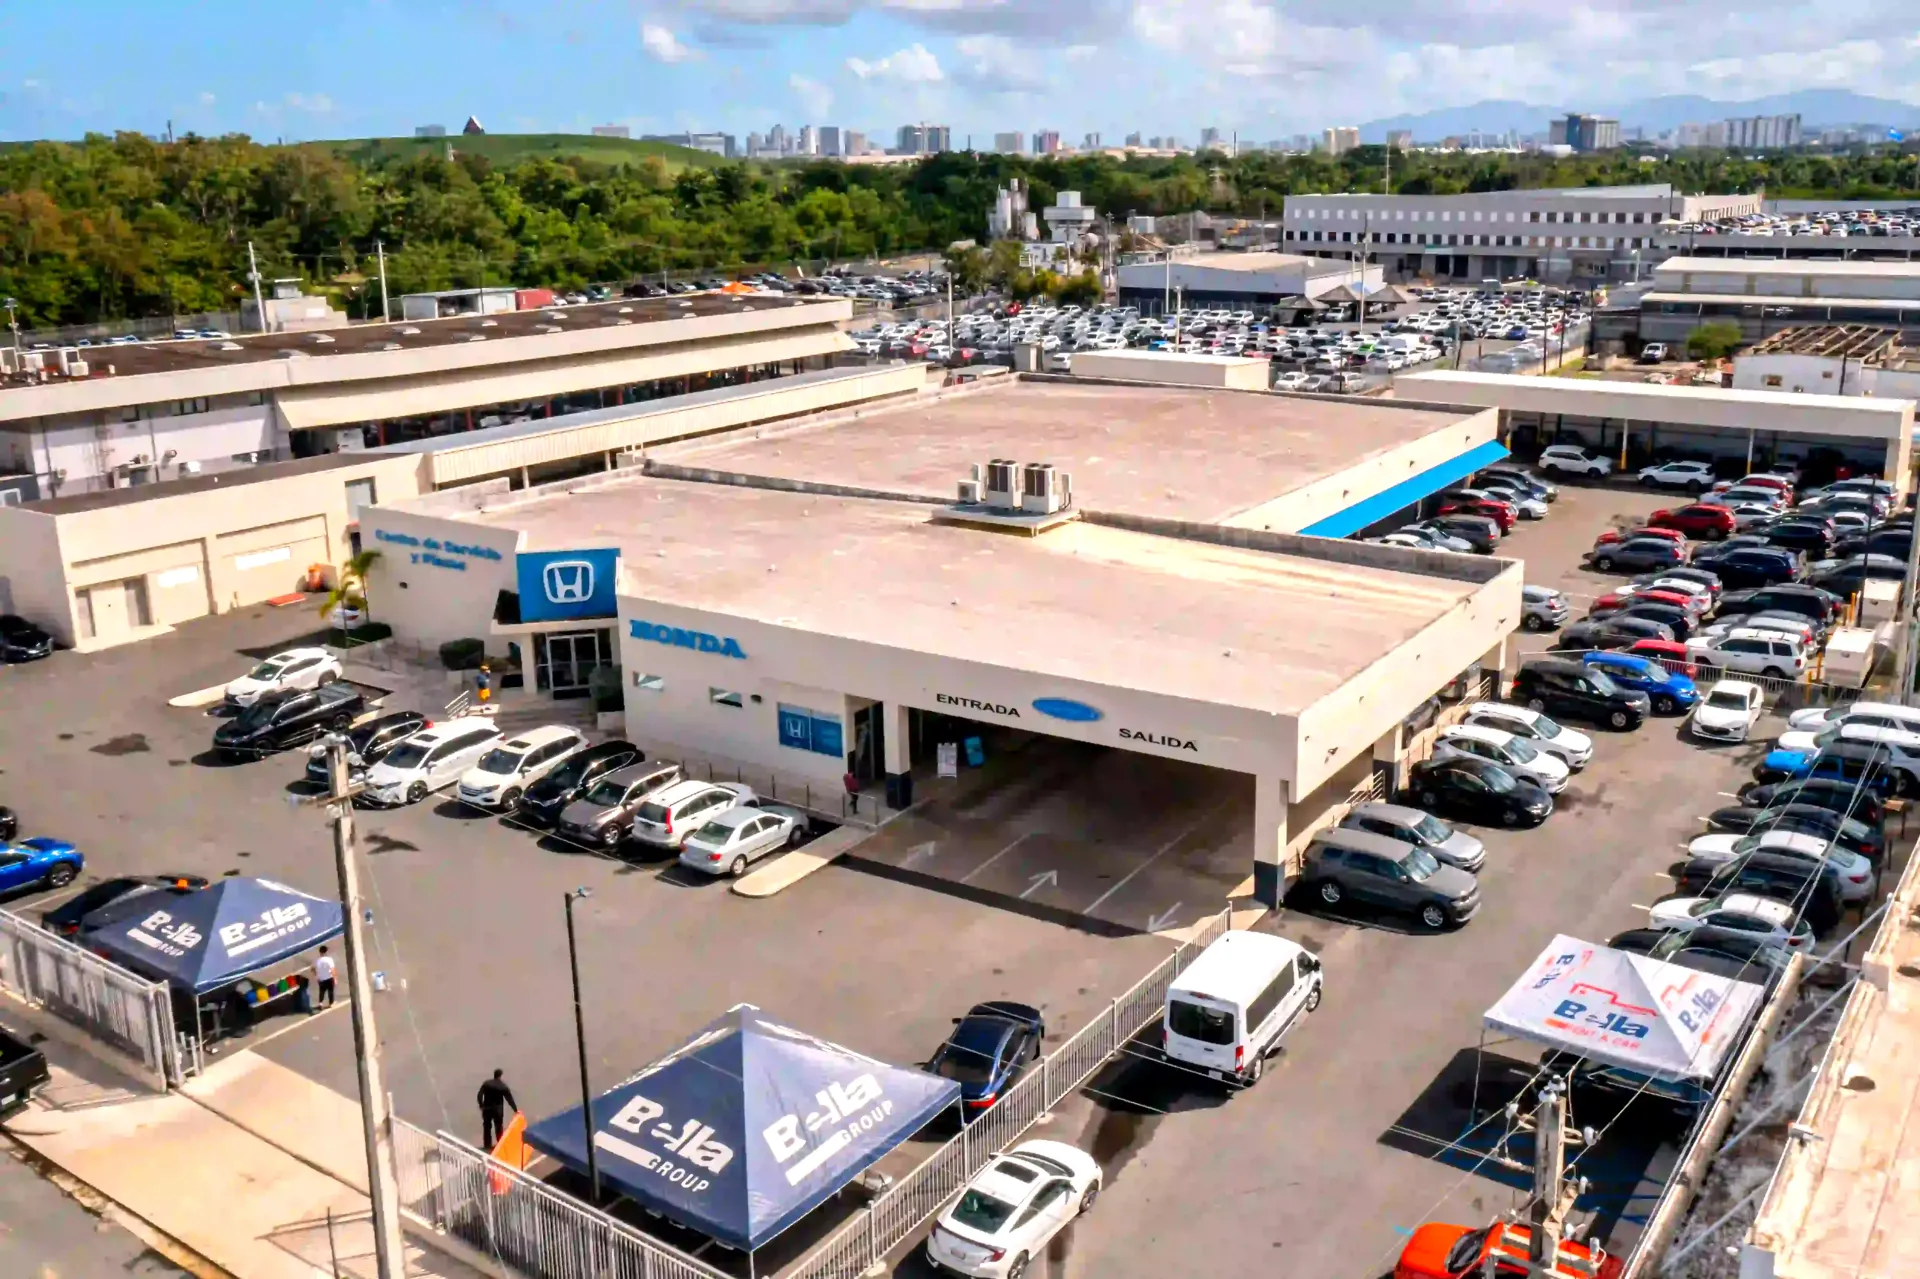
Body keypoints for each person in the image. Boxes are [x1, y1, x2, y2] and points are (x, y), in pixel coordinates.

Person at [478, 1069, 517, 1149]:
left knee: (487, 1127)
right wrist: (515, 1110)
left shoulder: (486, 1083)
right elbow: (509, 1099)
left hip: (487, 1109)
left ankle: (487, 1145)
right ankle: (500, 1145)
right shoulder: (503, 1086)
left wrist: (481, 1105)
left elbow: (479, 1095)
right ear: (501, 1076)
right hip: (497, 1110)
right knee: (498, 1127)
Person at [312, 946, 337, 1011]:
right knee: (330, 991)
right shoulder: (329, 959)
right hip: (329, 977)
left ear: (320, 952)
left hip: (321, 979)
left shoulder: (317, 960)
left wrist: (317, 976)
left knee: (322, 991)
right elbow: (332, 970)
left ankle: (320, 1003)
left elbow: (313, 969)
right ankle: (331, 1003)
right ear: (326, 952)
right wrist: (335, 978)